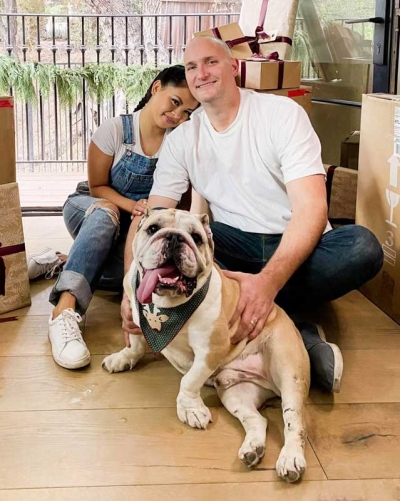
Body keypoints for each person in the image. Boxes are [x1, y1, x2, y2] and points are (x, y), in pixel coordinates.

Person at [122, 36, 384, 393]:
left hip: (299, 247)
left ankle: (267, 318)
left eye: (211, 62)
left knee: (362, 247)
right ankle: (296, 332)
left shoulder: (281, 115)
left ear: (233, 67)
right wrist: (131, 289)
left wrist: (267, 284)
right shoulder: (183, 139)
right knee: (156, 253)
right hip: (232, 246)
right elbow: (151, 218)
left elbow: (311, 209)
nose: (201, 73)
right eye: (191, 67)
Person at [47, 65, 198, 370]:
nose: (178, 115)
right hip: (92, 207)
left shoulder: (179, 142)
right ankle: (63, 312)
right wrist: (133, 206)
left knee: (124, 277)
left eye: (187, 112)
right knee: (107, 214)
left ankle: (59, 262)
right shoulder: (115, 130)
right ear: (156, 88)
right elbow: (97, 186)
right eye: (175, 102)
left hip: (132, 227)